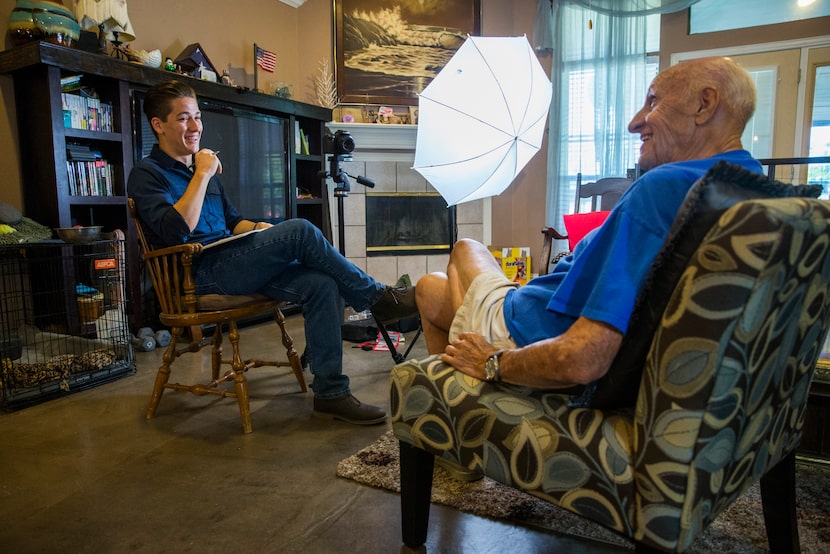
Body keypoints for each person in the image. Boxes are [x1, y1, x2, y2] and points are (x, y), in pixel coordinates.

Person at [416, 56, 762, 397]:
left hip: (530, 329)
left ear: (705, 104)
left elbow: (583, 358)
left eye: (652, 101)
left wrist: (494, 362)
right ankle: (451, 398)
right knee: (431, 287)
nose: (634, 122)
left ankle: (460, 397)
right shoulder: (749, 186)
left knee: (465, 248)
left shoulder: (664, 187)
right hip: (544, 307)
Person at [128, 80, 418, 425]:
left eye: (197, 117)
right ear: (158, 125)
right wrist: (202, 173)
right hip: (199, 277)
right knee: (302, 229)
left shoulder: (202, 170)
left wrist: (261, 231)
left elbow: (233, 221)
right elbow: (177, 229)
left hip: (232, 261)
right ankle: (378, 299)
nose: (195, 127)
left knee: (321, 283)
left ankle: (331, 393)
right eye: (183, 119)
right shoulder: (147, 174)